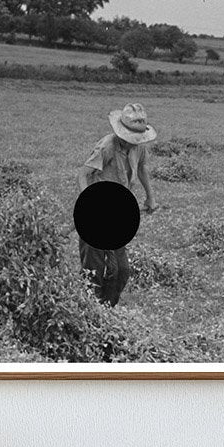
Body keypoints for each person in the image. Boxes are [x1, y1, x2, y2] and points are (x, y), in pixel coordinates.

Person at [77, 103, 158, 306]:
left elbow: (141, 168)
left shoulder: (138, 146)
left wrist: (150, 196)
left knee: (121, 270)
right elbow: (82, 175)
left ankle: (107, 310)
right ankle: (89, 309)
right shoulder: (107, 146)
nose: (134, 142)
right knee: (93, 269)